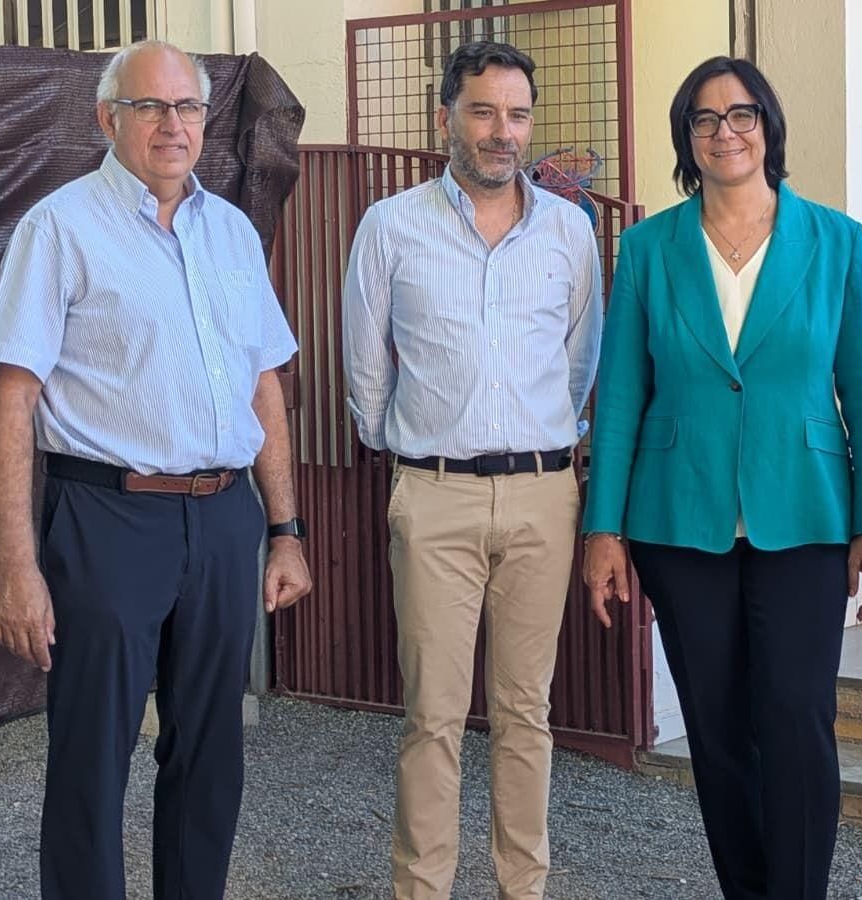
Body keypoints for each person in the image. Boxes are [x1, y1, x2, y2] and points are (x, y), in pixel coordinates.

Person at [0, 40, 311, 900]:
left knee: (209, 754)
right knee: (91, 755)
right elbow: (10, 400)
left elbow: (264, 384)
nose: (173, 125)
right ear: (107, 118)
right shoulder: (59, 228)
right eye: (150, 107)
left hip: (225, 516)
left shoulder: (231, 231)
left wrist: (285, 530)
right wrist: (17, 566)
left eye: (188, 107)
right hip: (107, 521)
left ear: (206, 121)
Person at [580, 56, 862, 900]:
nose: (727, 131)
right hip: (679, 519)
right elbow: (620, 395)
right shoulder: (649, 247)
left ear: (769, 126)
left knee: (796, 721)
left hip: (805, 514)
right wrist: (602, 529)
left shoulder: (836, 241)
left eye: (743, 114)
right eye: (706, 119)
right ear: (688, 138)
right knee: (718, 734)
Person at [341, 40, 603, 900]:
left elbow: (578, 363)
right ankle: (424, 889)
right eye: (484, 111)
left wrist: (542, 447)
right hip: (434, 494)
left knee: (528, 713)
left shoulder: (570, 230)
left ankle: (521, 888)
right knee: (433, 718)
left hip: (541, 498)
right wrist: (416, 452)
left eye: (518, 114)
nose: (502, 132)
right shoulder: (390, 226)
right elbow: (365, 373)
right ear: (445, 116)